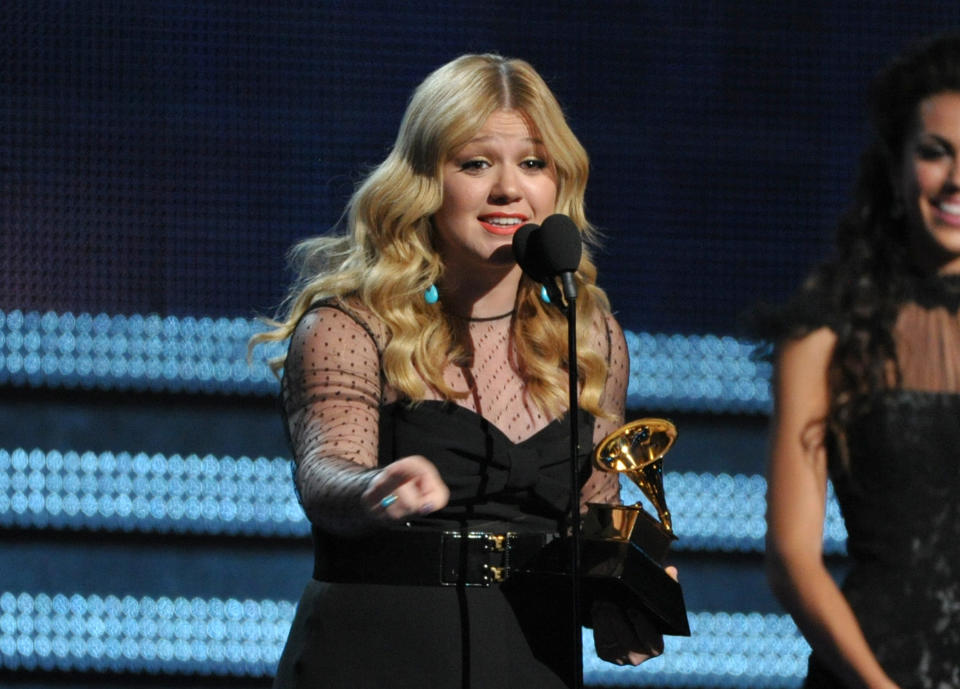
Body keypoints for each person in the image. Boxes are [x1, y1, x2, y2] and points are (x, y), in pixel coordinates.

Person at [252, 54, 669, 689]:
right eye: (475, 163)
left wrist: (626, 590)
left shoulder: (588, 335)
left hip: (533, 658)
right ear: (425, 180)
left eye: (533, 163)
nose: (509, 188)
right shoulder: (351, 325)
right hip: (378, 655)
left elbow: (595, 504)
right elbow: (323, 470)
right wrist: (375, 488)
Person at [764, 33, 960, 689]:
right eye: (937, 153)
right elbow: (794, 555)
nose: (957, 179)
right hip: (871, 670)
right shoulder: (828, 327)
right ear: (899, 165)